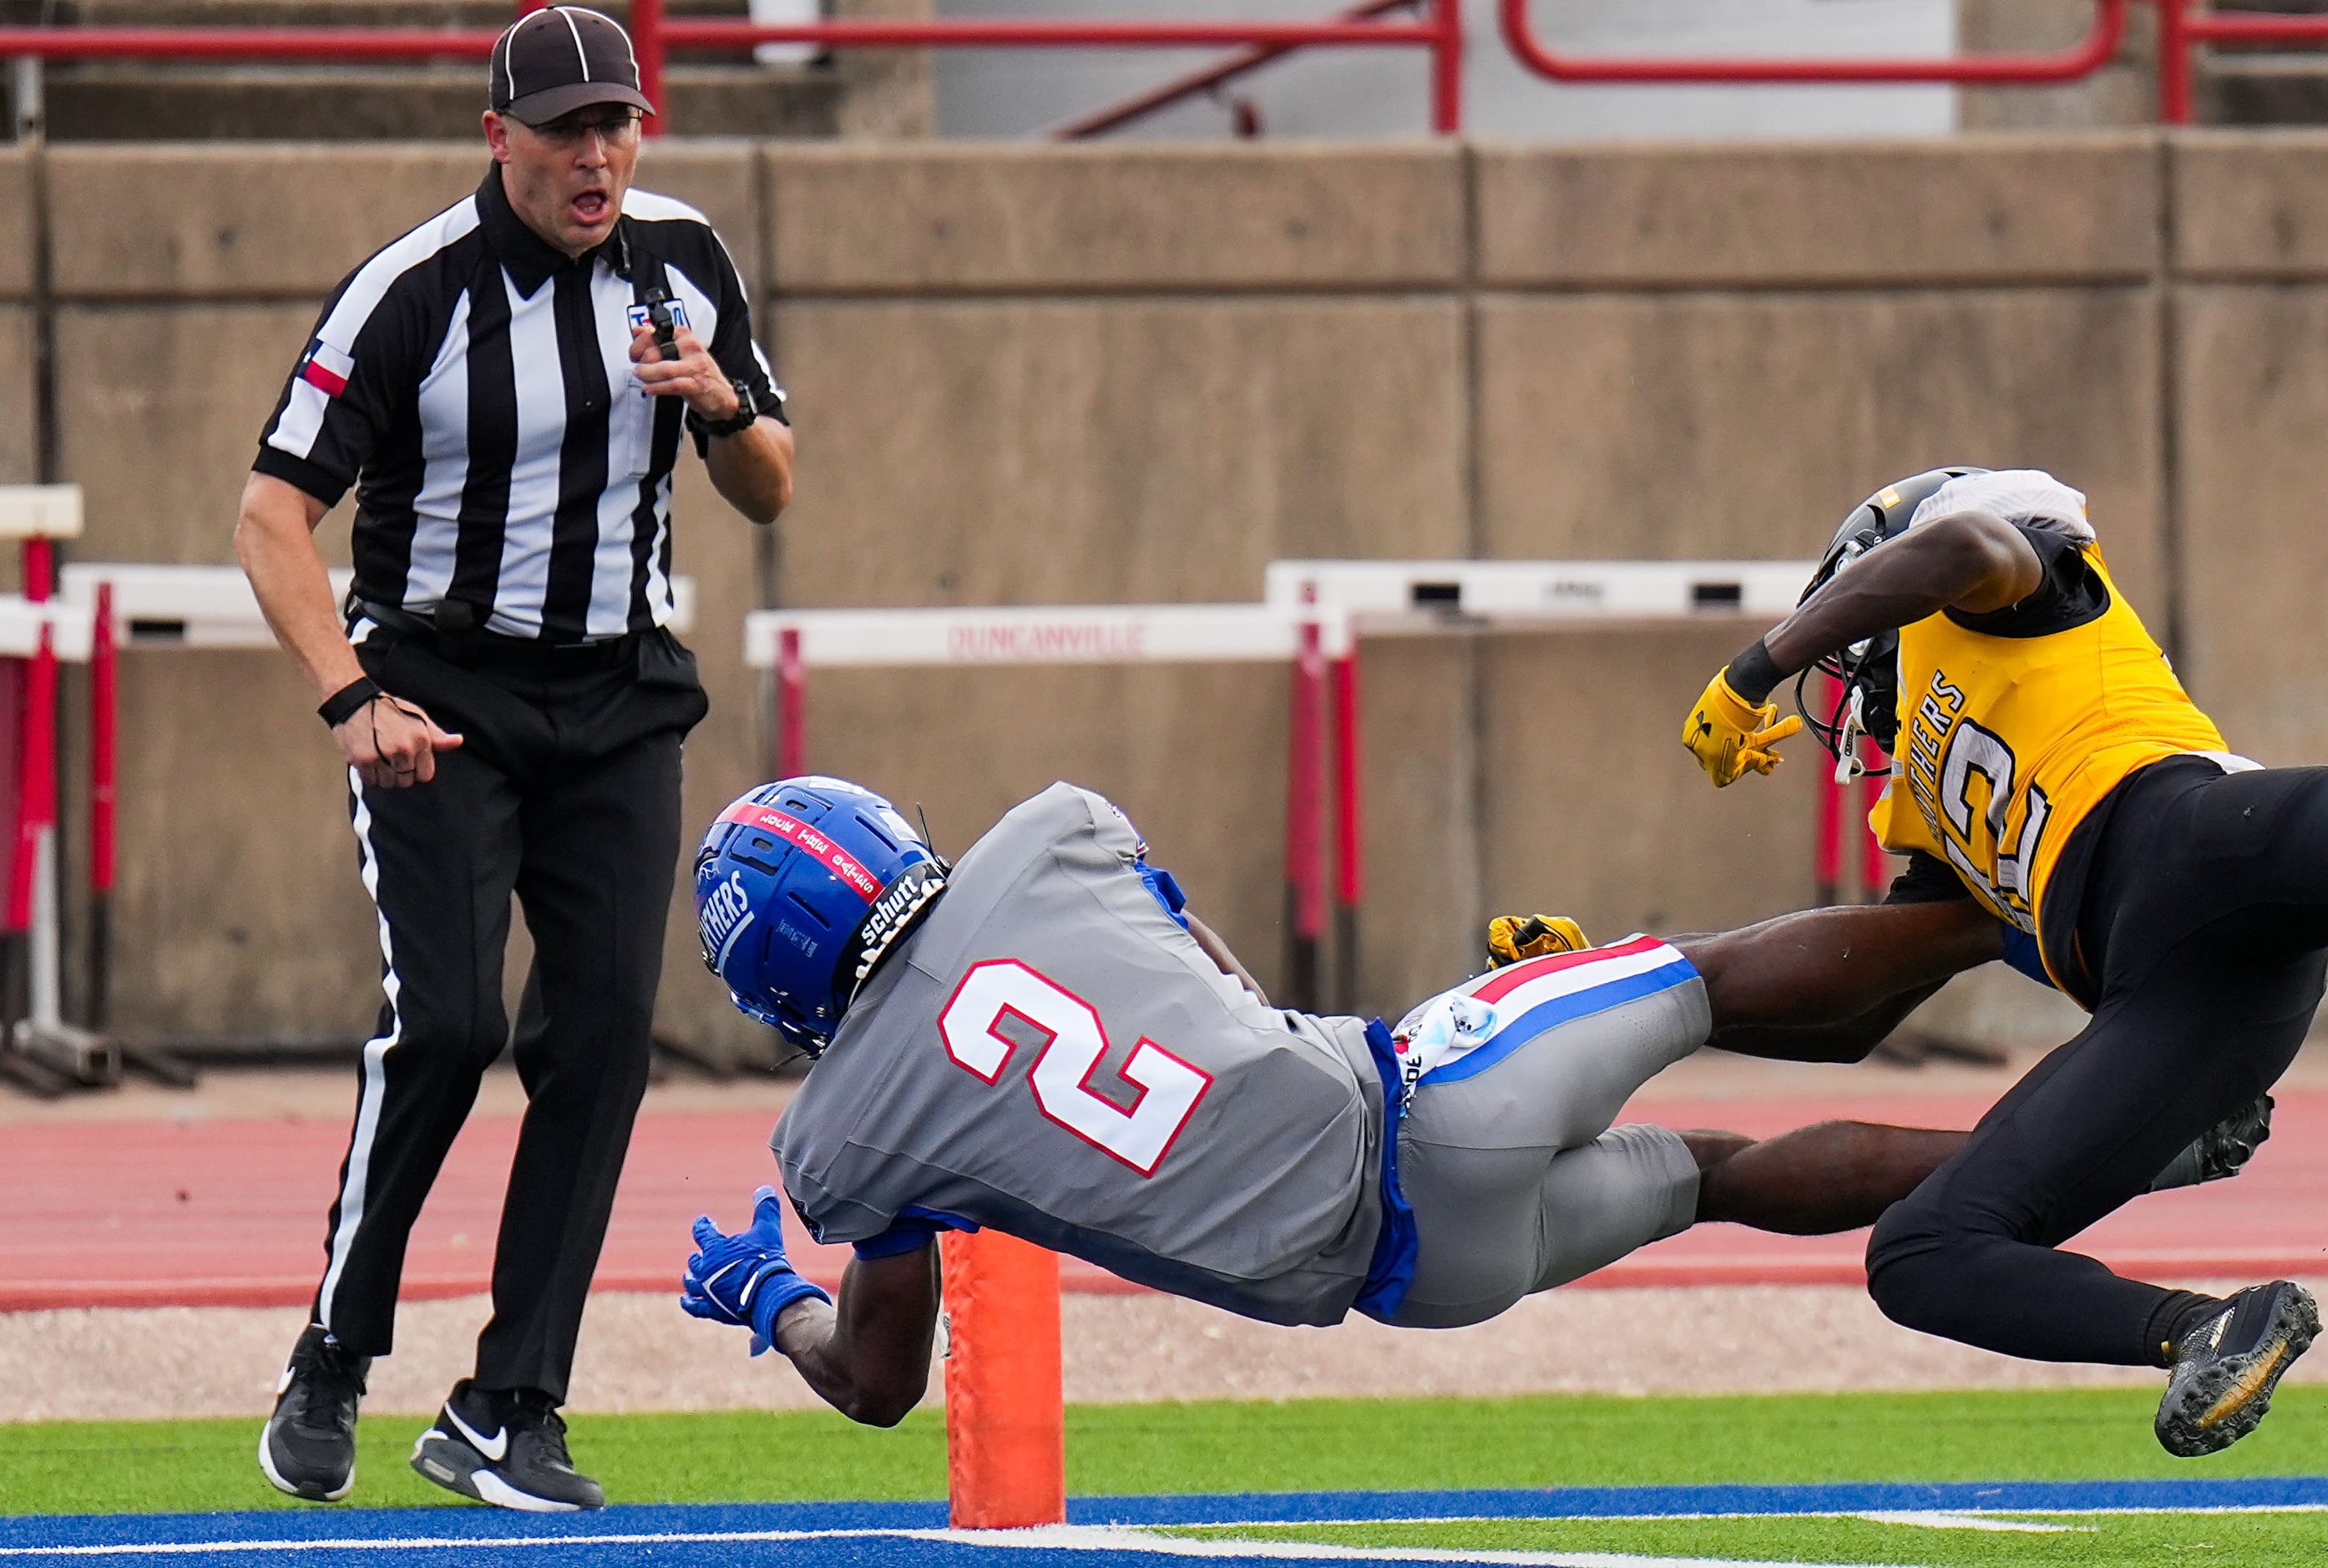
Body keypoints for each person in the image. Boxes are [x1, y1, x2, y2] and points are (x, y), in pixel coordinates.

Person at [672, 776, 2253, 1425]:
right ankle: (2041, 887)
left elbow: (880, 1381)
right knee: (1698, 978)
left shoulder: (836, 1144)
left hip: (1413, 1282)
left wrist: (770, 1303)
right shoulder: (1046, 833)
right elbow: (1207, 975)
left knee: (1708, 1172)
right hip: (1421, 1088)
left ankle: (2141, 1148)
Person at [234, 6, 793, 1512]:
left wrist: (720, 406)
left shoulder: (685, 260)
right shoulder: (409, 293)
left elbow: (770, 483)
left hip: (618, 696)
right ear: (500, 139)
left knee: (606, 1033)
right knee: (448, 1023)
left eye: (616, 125)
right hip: (435, 691)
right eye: (561, 131)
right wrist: (350, 697)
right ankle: (335, 1352)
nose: (594, 155)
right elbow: (269, 516)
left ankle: (509, 1401)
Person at [1678, 466, 2320, 1458]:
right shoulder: (1934, 815)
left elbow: (1962, 549)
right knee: (1920, 1254)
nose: (1849, 680)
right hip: (2181, 1003)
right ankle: (2202, 1329)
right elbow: (1850, 1017)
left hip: (2195, 841)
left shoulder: (1990, 583)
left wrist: (1753, 668)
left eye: (1849, 647)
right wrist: (1611, 987)